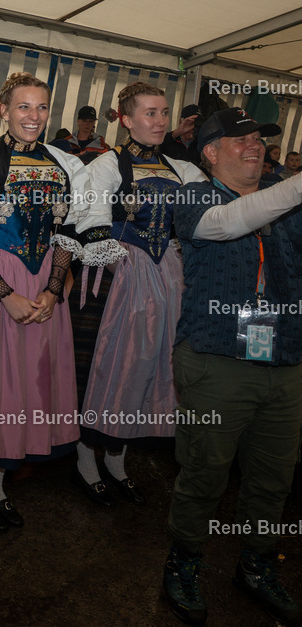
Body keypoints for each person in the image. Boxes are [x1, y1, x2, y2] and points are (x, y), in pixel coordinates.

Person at [163, 107, 302, 627]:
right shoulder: (195, 197)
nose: (255, 146)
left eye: (260, 139)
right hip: (216, 359)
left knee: (273, 478)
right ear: (209, 152)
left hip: (285, 359)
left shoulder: (290, 202)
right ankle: (184, 564)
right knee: (204, 472)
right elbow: (228, 225)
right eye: (239, 139)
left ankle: (257, 565)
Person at [69, 82, 206, 507]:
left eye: (163, 113)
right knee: (105, 367)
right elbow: (87, 215)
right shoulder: (107, 165)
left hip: (166, 277)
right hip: (118, 277)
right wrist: (119, 258)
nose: (160, 121)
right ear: (126, 119)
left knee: (148, 366)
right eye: (150, 113)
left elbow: (210, 208)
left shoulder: (181, 168)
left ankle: (118, 459)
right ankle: (85, 460)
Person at [0, 72, 88, 528]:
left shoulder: (64, 162)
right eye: (23, 107)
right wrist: (4, 294)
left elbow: (70, 232)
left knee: (29, 384)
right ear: (3, 110)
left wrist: (55, 289)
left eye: (40, 108)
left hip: (43, 284)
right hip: (0, 280)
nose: (33, 117)